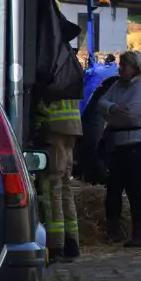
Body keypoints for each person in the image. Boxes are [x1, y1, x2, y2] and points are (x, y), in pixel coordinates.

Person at [96, 50, 141, 248]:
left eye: (124, 66)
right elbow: (100, 103)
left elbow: (132, 115)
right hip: (117, 142)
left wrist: (110, 112)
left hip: (136, 143)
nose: (120, 69)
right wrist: (113, 109)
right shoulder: (117, 85)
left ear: (135, 68)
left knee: (133, 189)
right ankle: (113, 232)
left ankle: (137, 234)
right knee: (113, 188)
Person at [32, 94, 82, 262]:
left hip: (54, 130)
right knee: (65, 186)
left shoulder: (52, 70)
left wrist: (35, 126)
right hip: (72, 128)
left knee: (50, 187)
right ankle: (72, 242)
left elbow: (43, 106)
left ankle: (55, 246)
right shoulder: (69, 70)